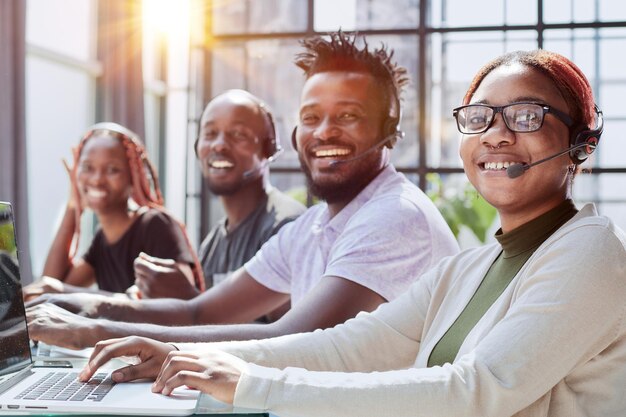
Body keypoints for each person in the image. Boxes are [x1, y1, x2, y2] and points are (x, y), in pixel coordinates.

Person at [80, 50, 626, 417]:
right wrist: (182, 356)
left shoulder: (587, 252)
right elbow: (349, 345)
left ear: (580, 143)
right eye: (481, 117)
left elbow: (474, 390)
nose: (498, 135)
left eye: (527, 117)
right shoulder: (472, 267)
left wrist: (250, 382)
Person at [25, 31, 459, 349]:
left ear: (388, 132)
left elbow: (290, 339)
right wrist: (74, 308)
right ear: (295, 133)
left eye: (348, 116)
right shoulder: (312, 227)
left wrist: (97, 332)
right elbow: (201, 312)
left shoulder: (395, 218)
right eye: (311, 117)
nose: (324, 132)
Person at [132, 89, 306, 303]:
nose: (219, 145)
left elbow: (288, 332)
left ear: (267, 149)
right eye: (210, 134)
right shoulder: (213, 243)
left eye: (238, 134)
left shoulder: (287, 228)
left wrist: (188, 300)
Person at [22, 123, 203, 300]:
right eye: (87, 167)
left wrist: (65, 292)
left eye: (112, 170)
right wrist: (73, 205)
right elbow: (49, 290)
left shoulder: (156, 224)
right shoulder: (102, 240)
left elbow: (183, 299)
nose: (97, 180)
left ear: (133, 177)